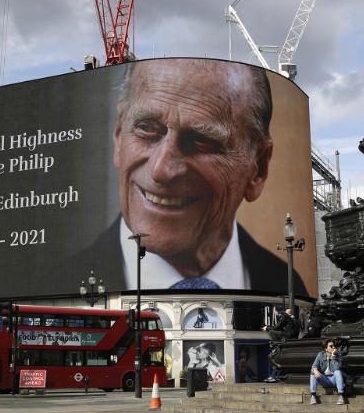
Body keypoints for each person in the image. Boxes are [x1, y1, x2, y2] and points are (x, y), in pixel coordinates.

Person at [73, 59, 308, 294]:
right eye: (146, 128)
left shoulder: (289, 286)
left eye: (200, 142)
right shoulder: (63, 278)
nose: (160, 170)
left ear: (258, 168)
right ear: (118, 135)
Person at [309, 338, 346, 405]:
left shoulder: (338, 355)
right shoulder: (320, 354)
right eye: (331, 346)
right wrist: (316, 370)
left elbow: (336, 368)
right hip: (324, 379)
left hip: (334, 380)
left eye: (334, 346)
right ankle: (313, 396)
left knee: (338, 371)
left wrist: (333, 357)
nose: (334, 347)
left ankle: (341, 395)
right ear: (326, 349)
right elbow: (314, 365)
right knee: (313, 372)